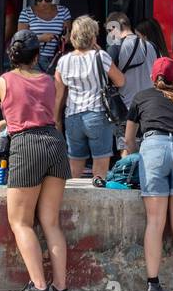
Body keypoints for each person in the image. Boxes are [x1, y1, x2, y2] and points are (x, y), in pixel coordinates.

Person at [0, 29, 72, 291]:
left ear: (11, 56)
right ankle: (60, 289)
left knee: (20, 222)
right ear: (37, 55)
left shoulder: (2, 83)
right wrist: (10, 120)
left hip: (26, 146)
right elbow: (42, 114)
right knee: (51, 222)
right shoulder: (49, 81)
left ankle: (38, 287)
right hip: (54, 143)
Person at [124, 56, 173, 291]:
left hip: (153, 148)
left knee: (156, 222)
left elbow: (129, 139)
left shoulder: (141, 97)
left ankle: (153, 287)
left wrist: (133, 157)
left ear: (151, 77)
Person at [54, 15, 128, 179]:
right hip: (97, 115)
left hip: (72, 117)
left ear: (73, 36)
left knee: (74, 167)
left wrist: (56, 121)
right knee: (100, 169)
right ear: (93, 36)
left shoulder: (63, 61)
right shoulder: (100, 56)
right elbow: (121, 81)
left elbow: (58, 96)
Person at [17, 0, 72, 73]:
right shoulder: (26, 13)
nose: (43, 2)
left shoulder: (64, 11)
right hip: (34, 59)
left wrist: (66, 37)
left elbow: (67, 34)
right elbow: (20, 40)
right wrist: (40, 38)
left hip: (57, 58)